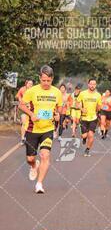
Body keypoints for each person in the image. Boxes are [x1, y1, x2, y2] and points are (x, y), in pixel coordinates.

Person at [18, 65, 63, 193]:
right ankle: (33, 166)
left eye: (48, 81)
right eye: (43, 80)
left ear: (52, 79)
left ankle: (39, 184)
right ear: (39, 78)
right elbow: (21, 105)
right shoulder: (32, 91)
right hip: (32, 129)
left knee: (45, 155)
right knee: (30, 159)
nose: (46, 83)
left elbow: (59, 108)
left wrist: (58, 115)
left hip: (47, 129)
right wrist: (31, 114)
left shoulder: (57, 92)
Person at [76, 78, 102, 157]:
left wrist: (98, 108)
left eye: (94, 84)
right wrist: (81, 109)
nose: (92, 85)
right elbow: (77, 103)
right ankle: (84, 138)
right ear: (88, 84)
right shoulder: (82, 93)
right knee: (84, 135)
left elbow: (99, 107)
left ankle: (87, 149)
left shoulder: (98, 95)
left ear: (95, 85)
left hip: (93, 118)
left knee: (91, 135)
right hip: (84, 118)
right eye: (91, 84)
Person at [17, 79, 34, 145]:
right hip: (23, 109)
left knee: (29, 123)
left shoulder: (33, 91)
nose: (30, 85)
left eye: (31, 84)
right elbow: (18, 96)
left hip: (31, 110)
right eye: (29, 83)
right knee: (24, 122)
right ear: (26, 84)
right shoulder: (22, 89)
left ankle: (28, 137)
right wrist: (21, 101)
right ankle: (22, 138)